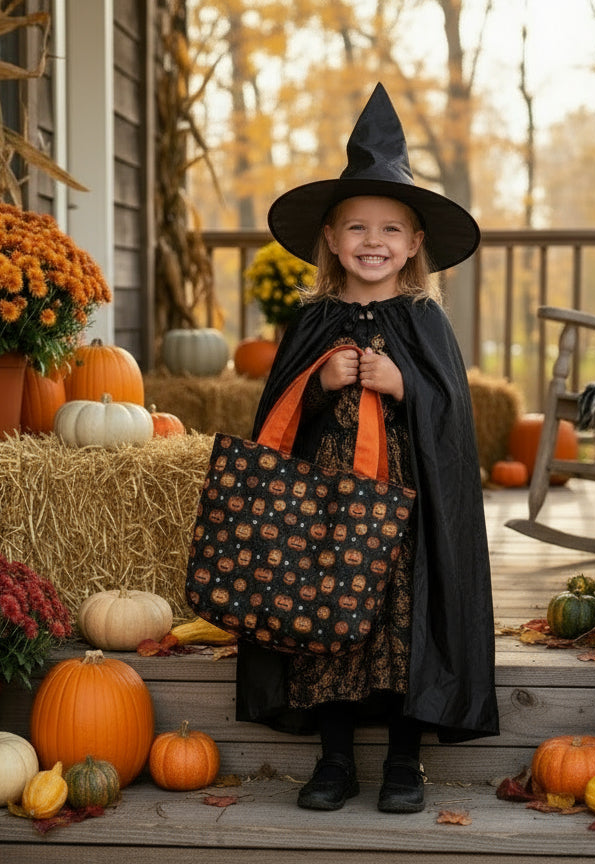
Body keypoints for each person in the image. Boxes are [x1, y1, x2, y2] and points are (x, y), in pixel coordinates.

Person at [235, 83, 499, 814]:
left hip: (407, 511)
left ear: (415, 243)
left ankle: (406, 761)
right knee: (326, 618)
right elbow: (277, 416)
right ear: (331, 238)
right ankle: (335, 759)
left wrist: (404, 385)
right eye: (356, 227)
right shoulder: (312, 319)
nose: (372, 241)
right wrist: (319, 383)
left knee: (401, 622)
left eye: (390, 228)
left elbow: (453, 419)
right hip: (324, 509)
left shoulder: (425, 322)